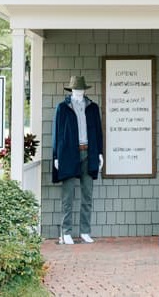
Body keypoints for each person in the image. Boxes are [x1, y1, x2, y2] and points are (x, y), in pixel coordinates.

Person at [52, 75, 103, 245]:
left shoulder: (93, 108)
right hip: (68, 154)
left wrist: (100, 153)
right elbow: (57, 134)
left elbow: (98, 132)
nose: (79, 92)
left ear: (84, 90)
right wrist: (56, 156)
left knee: (87, 195)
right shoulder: (63, 108)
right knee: (67, 196)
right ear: (71, 90)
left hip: (89, 152)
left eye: (81, 89)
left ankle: (85, 231)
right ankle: (65, 232)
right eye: (76, 89)